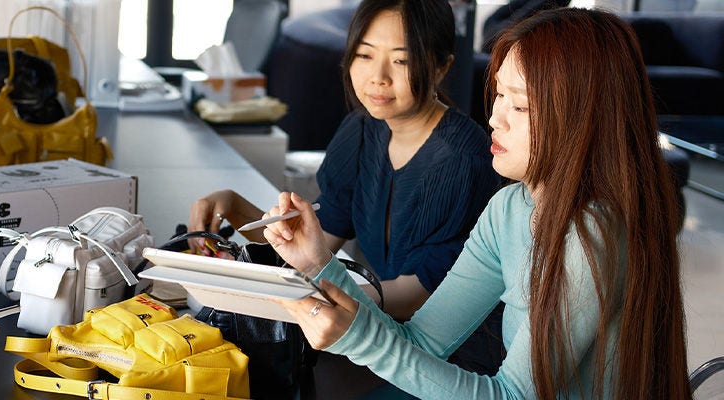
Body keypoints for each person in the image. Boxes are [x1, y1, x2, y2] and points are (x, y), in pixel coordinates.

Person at [264, 8, 690, 399]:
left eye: (520, 105)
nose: (495, 118)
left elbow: (512, 396)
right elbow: (423, 341)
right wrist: (319, 263)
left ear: (584, 118)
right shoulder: (509, 208)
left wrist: (356, 336)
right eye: (499, 96)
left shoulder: (589, 232)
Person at [189, 0, 503, 374]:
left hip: (458, 359)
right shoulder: (361, 130)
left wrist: (307, 301)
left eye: (401, 61)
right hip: (387, 335)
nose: (377, 77)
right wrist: (235, 208)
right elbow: (316, 238)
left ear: (440, 67)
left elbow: (417, 296)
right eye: (364, 55)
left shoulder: (462, 159)